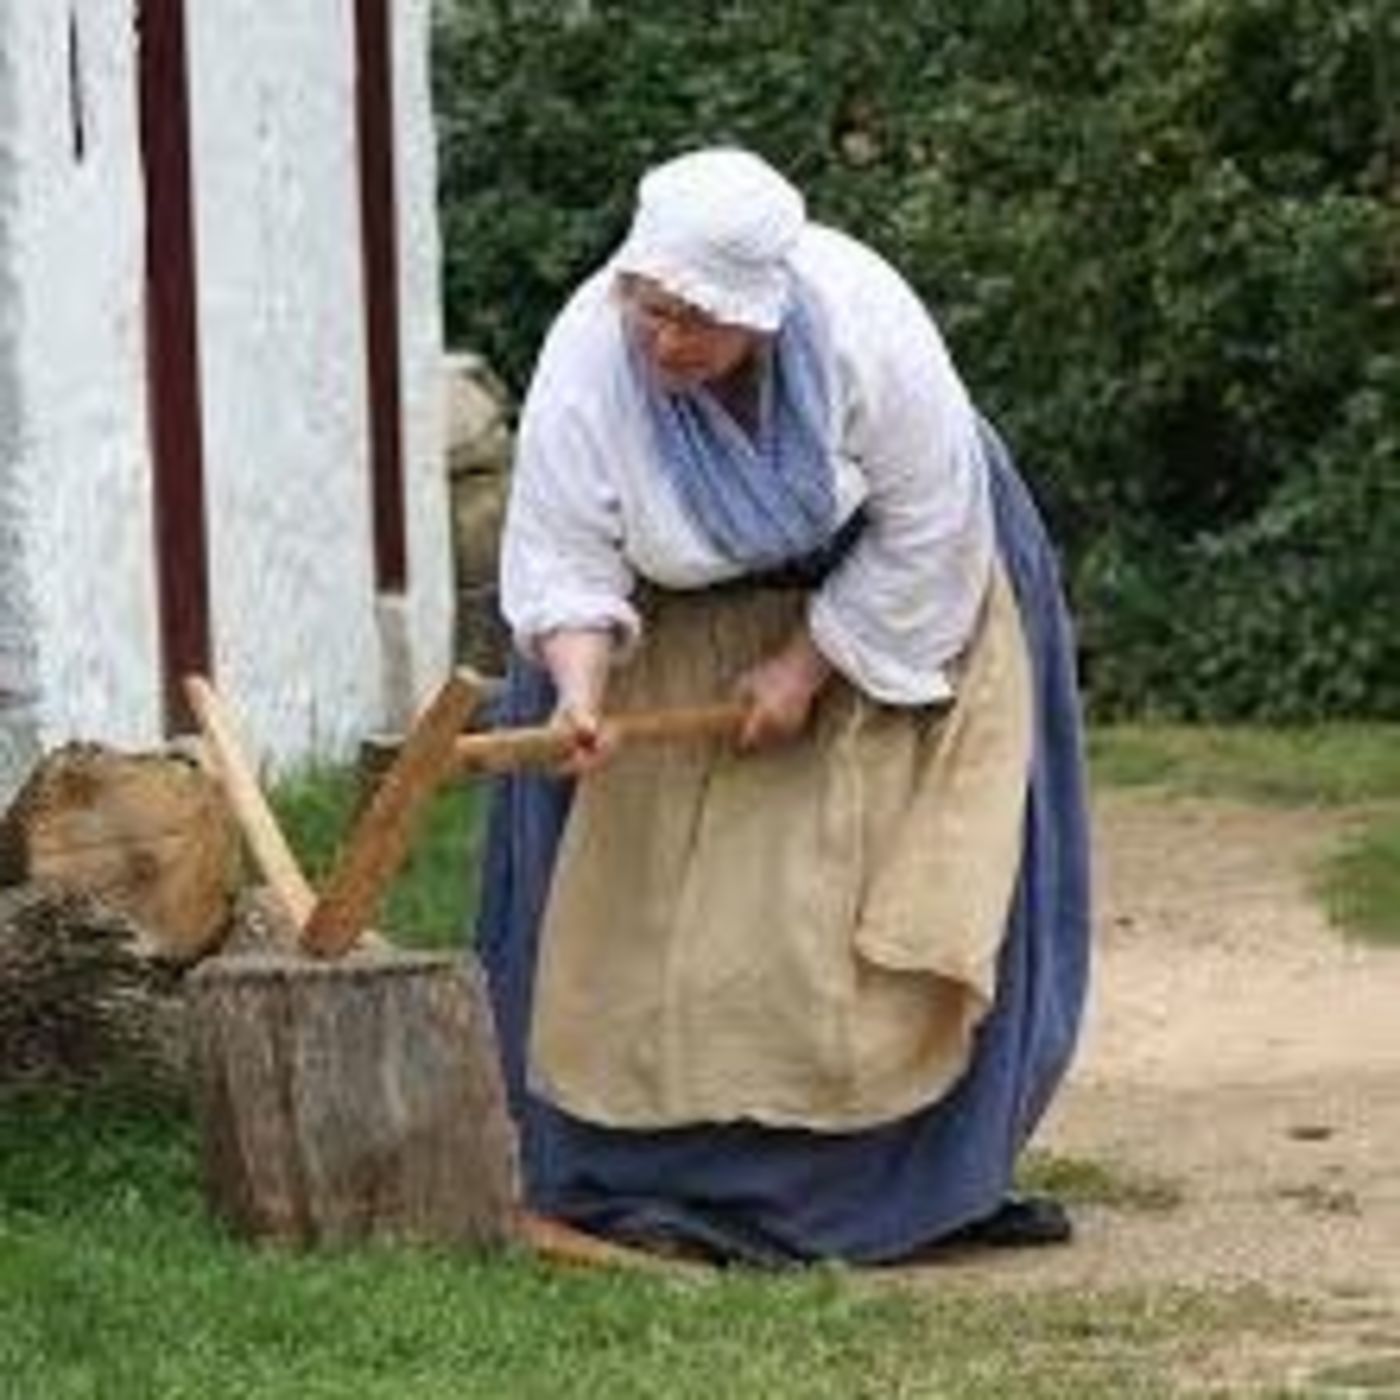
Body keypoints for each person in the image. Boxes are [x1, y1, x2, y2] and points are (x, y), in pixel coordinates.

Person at [475, 147, 1091, 1266]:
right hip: (666, 613)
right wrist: (577, 695)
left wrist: (808, 663)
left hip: (899, 590)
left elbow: (928, 530)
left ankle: (903, 1186)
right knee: (646, 906)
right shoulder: (589, 358)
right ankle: (632, 1179)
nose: (666, 340)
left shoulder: (866, 329)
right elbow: (563, 552)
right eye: (650, 308)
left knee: (873, 891)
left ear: (761, 315)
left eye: (697, 322)